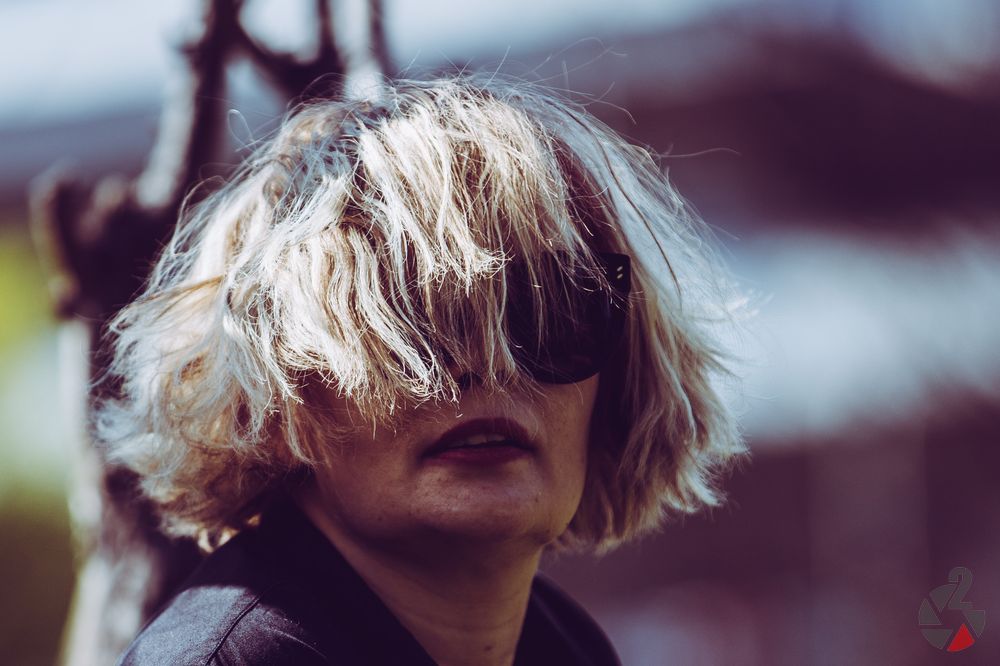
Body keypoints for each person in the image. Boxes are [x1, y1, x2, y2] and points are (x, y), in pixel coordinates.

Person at [103, 74, 745, 665]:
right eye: (412, 318)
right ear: (272, 399)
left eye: (549, 311)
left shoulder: (567, 647)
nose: (489, 365)